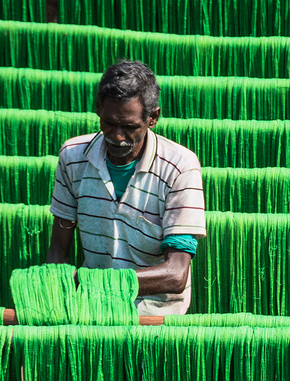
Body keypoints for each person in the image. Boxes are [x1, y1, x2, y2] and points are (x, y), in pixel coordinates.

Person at [46, 59, 205, 315]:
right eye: (109, 123)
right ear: (98, 108)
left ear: (152, 118)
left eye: (129, 127)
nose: (117, 136)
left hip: (155, 312)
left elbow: (176, 274)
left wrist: (92, 282)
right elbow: (58, 249)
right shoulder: (73, 157)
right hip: (92, 308)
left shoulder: (179, 166)